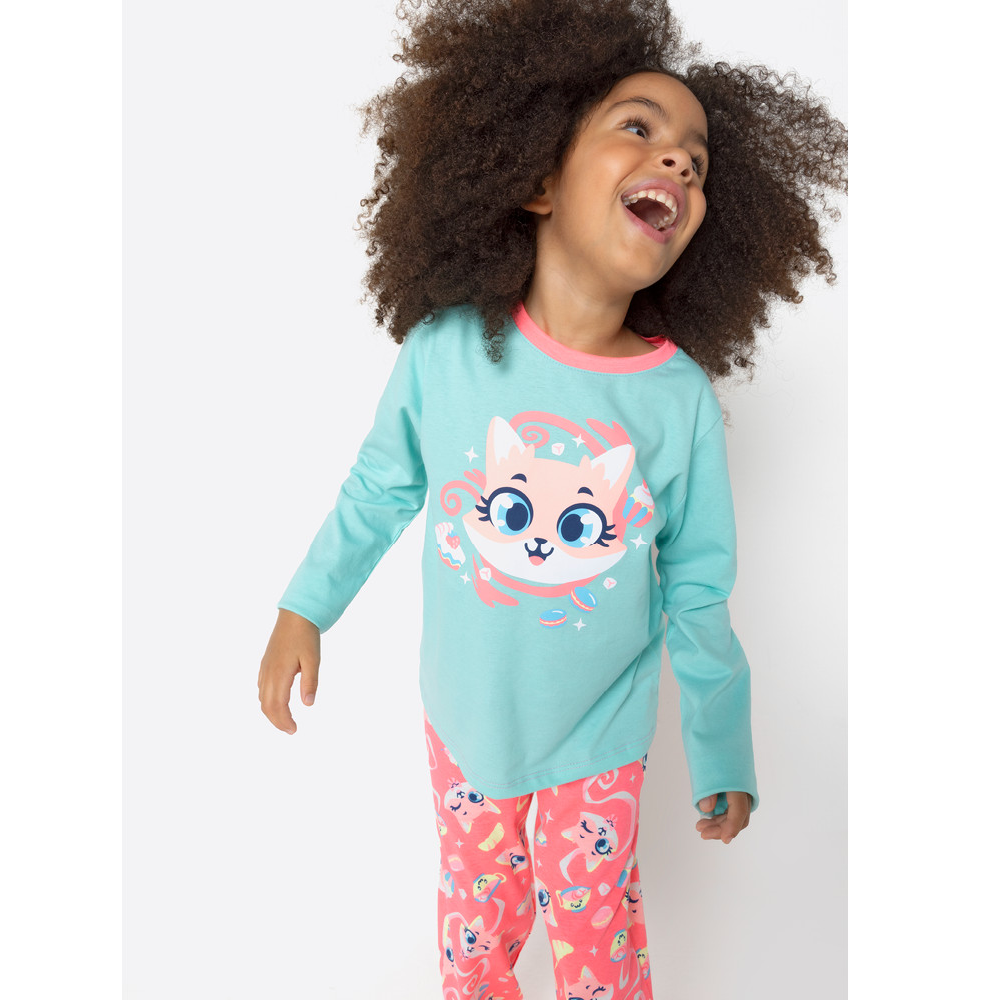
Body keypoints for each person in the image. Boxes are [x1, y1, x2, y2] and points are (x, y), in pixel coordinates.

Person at [257, 1, 847, 997]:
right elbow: (380, 486)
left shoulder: (675, 401)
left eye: (697, 161)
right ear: (536, 179)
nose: (677, 160)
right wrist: (304, 606)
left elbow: (699, 586)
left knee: (598, 949)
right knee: (475, 944)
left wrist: (721, 748)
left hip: (599, 733)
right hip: (465, 720)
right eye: (638, 128)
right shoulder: (447, 352)